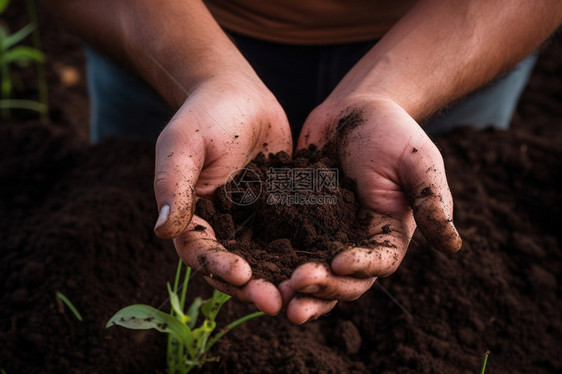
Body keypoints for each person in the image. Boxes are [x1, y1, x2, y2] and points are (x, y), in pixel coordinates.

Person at [44, 0, 562, 324]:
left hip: (451, 41)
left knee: (428, 282)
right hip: (164, 30)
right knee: (137, 245)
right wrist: (205, 75)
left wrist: (390, 96)